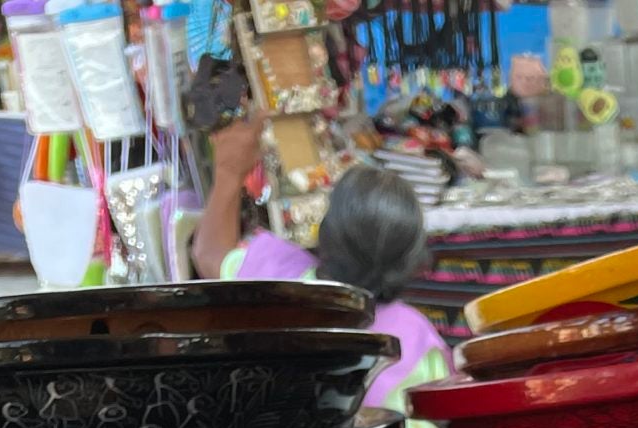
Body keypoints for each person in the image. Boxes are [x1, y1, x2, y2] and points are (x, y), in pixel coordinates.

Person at [192, 125, 451, 410]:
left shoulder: (275, 273)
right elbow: (432, 427)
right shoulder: (415, 340)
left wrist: (229, 172)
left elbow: (208, 253)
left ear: (326, 232)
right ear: (412, 259)